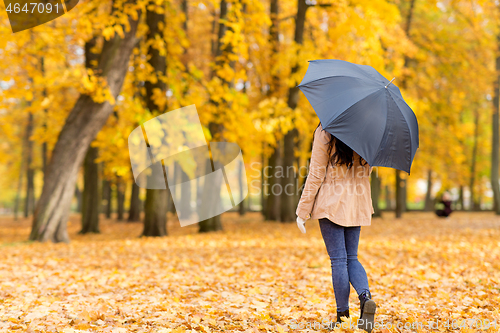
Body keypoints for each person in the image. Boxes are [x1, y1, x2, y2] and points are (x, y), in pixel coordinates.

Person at [296, 123, 376, 332]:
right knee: (352, 258)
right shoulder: (368, 130)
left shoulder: (325, 130)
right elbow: (368, 168)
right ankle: (365, 296)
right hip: (357, 203)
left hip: (331, 203)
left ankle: (343, 318)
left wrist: (302, 211)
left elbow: (315, 174)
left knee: (339, 260)